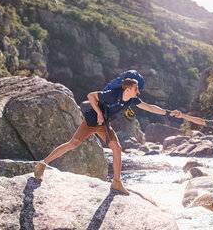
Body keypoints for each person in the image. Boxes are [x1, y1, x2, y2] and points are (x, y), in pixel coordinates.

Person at [34, 78, 175, 195]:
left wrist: (168, 113)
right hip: (91, 121)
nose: (138, 91)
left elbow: (150, 107)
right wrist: (99, 114)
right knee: (73, 144)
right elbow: (91, 96)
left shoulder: (132, 100)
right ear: (127, 89)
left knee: (117, 148)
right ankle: (42, 165)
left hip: (104, 126)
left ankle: (117, 183)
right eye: (136, 89)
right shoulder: (112, 94)